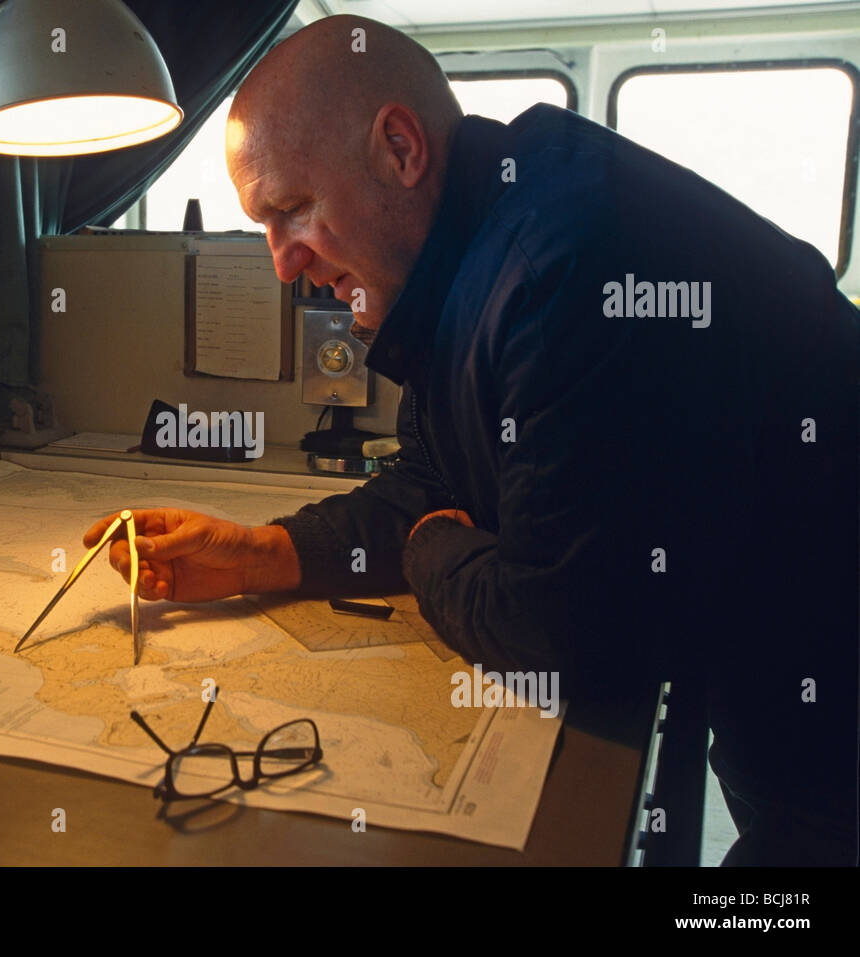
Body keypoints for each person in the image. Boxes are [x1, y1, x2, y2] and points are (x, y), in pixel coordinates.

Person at [84, 15, 858, 865]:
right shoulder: (474, 256)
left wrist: (432, 549)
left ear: (400, 149)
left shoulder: (564, 262)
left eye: (294, 209)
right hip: (770, 650)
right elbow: (428, 478)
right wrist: (259, 552)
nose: (280, 262)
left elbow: (554, 622)